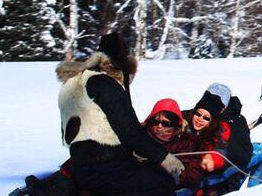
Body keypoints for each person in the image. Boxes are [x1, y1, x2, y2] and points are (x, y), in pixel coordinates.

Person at [55, 32, 184, 195]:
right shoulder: (105, 84)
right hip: (106, 168)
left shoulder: (72, 83)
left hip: (80, 166)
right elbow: (130, 131)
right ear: (119, 66)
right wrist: (165, 158)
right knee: (163, 181)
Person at [142, 98, 203, 191]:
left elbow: (193, 174)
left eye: (165, 123)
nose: (159, 126)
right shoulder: (139, 136)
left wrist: (175, 173)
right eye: (156, 121)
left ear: (175, 124)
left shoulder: (186, 143)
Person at [183, 84, 234, 174]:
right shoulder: (183, 118)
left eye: (206, 118)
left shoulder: (219, 129)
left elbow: (221, 149)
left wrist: (213, 159)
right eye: (198, 114)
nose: (200, 119)